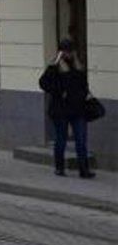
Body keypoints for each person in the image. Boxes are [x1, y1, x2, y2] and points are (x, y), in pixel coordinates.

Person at [39, 39, 95, 178]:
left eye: (70, 51)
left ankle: (84, 169)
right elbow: (44, 83)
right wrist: (59, 91)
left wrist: (84, 94)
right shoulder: (55, 66)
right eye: (65, 51)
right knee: (61, 139)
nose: (68, 54)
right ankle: (59, 168)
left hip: (78, 109)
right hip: (61, 109)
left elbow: (83, 84)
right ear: (61, 52)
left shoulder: (78, 66)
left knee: (81, 140)